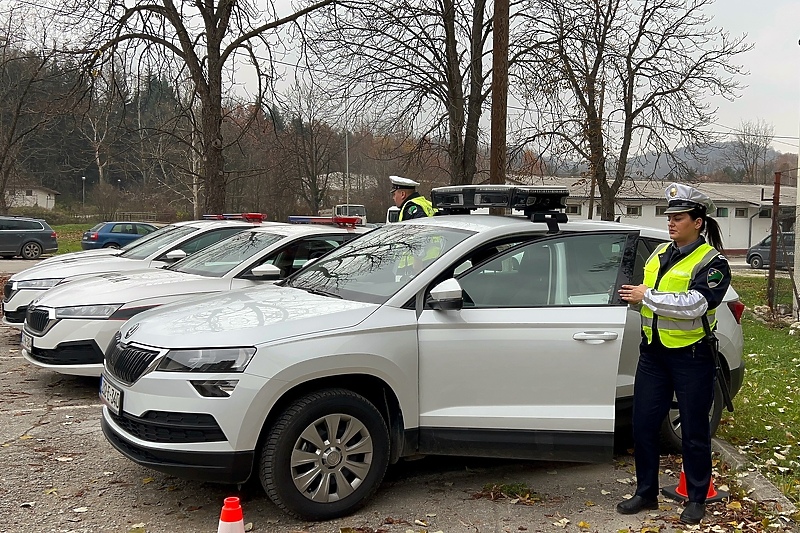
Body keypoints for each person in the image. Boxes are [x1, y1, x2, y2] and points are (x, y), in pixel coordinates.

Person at [615, 183, 731, 526]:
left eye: (678, 217)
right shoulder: (660, 254)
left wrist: (646, 296)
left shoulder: (713, 262)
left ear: (698, 222)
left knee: (695, 431)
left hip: (691, 356)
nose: (671, 223)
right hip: (653, 353)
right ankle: (646, 492)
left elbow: (696, 304)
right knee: (643, 425)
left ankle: (697, 498)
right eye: (669, 217)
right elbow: (639, 292)